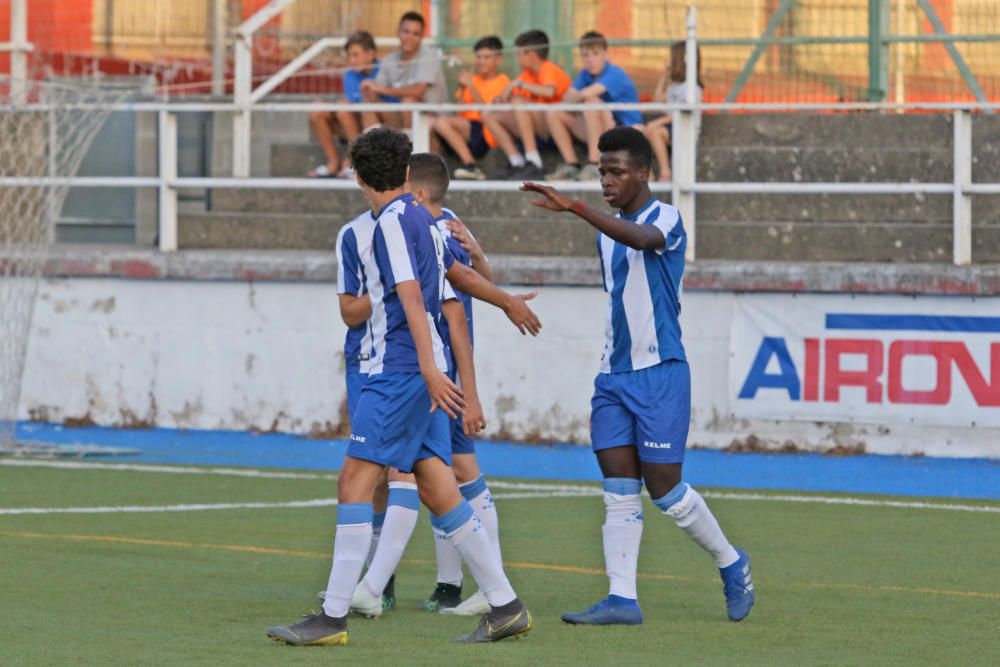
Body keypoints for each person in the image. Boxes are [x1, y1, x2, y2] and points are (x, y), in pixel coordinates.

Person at [266, 128, 539, 647]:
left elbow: (413, 297)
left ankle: (332, 615)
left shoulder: (389, 222)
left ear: (356, 173)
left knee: (355, 479)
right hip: (418, 367)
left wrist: (427, 369)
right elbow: (457, 274)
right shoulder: (422, 216)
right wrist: (505, 301)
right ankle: (505, 605)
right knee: (436, 482)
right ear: (407, 172)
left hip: (399, 370)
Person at [520, 127, 754, 626]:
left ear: (644, 173)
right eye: (601, 171)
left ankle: (731, 562)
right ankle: (622, 599)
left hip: (660, 372)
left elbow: (645, 240)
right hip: (613, 377)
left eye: (616, 171)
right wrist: (590, 215)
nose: (606, 180)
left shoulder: (663, 216)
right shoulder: (607, 233)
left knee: (665, 487)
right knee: (618, 487)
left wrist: (578, 210)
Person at [346, 153, 498, 618]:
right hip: (427, 368)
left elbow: (457, 307)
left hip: (427, 370)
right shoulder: (400, 224)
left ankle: (377, 586)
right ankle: (463, 588)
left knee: (430, 474)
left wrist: (462, 387)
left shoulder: (432, 226)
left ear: (417, 190)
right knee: (436, 476)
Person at [545, 31, 643, 182]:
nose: (590, 60)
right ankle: (571, 165)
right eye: (585, 55)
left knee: (591, 101)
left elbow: (586, 94)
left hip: (626, 131)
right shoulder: (585, 75)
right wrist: (576, 97)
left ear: (605, 54)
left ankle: (594, 164)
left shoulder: (614, 73)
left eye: (595, 54)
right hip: (602, 132)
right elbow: (566, 98)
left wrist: (577, 97)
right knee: (554, 113)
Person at [481, 29, 572, 180]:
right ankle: (517, 162)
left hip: (555, 127)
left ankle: (533, 160)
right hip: (538, 128)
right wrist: (501, 98)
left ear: (531, 55)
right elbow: (508, 95)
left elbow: (549, 92)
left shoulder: (548, 69)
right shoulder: (527, 75)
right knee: (489, 114)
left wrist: (518, 86)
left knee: (519, 101)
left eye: (519, 53)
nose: (517, 58)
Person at [433, 36, 510, 181]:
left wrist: (471, 86)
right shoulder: (472, 79)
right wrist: (463, 89)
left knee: (441, 122)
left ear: (498, 59)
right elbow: (459, 111)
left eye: (486, 57)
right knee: (432, 125)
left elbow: (488, 113)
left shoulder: (503, 81)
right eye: (478, 57)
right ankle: (433, 171)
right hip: (466, 129)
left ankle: (471, 164)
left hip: (485, 132)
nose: (481, 61)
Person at [308, 30, 380, 178]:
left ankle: (354, 162)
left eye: (356, 55)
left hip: (377, 123)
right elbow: (353, 103)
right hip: (354, 122)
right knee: (317, 111)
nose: (352, 60)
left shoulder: (384, 70)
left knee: (343, 108)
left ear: (371, 54)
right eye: (349, 55)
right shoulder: (349, 74)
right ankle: (333, 163)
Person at [359, 11, 446, 131]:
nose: (409, 37)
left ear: (421, 37)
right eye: (406, 32)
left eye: (415, 34)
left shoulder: (429, 57)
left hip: (433, 120)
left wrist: (380, 89)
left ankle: (409, 148)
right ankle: (370, 148)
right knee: (368, 101)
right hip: (401, 115)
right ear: (398, 32)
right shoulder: (390, 59)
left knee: (408, 102)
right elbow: (377, 87)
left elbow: (417, 92)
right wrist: (369, 89)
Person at [644, 41, 703, 182]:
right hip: (671, 128)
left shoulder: (691, 88)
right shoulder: (674, 87)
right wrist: (664, 78)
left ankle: (665, 173)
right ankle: (648, 174)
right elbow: (657, 99)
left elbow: (681, 112)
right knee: (639, 131)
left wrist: (657, 123)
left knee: (653, 131)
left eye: (671, 59)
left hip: (684, 129)